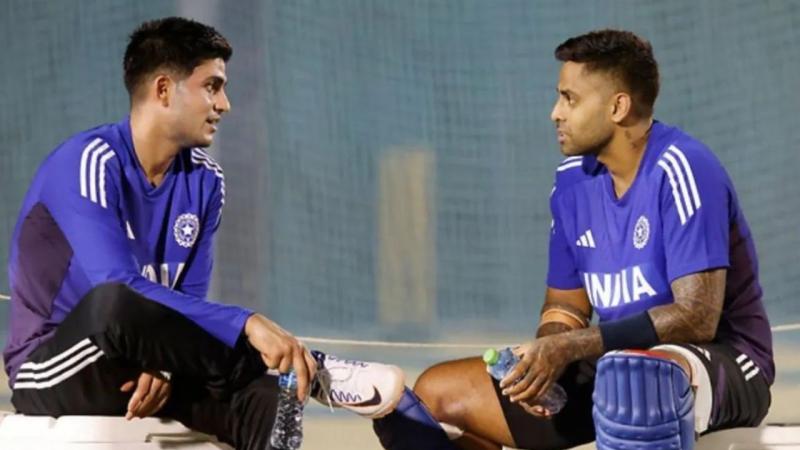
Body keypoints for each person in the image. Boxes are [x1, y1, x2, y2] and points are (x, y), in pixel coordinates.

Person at [2, 17, 403, 450]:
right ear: (163, 90)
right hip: (55, 365)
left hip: (151, 367)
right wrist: (245, 322)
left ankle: (291, 373)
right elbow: (117, 287)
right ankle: (307, 367)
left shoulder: (206, 180)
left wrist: (165, 364)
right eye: (212, 87)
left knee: (267, 401)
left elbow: (188, 302)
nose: (224, 104)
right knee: (114, 301)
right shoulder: (89, 162)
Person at [370, 29, 774, 450]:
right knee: (435, 398)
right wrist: (543, 360)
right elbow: (566, 307)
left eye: (570, 99)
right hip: (615, 361)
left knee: (638, 381)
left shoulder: (682, 168)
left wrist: (571, 346)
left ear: (618, 107)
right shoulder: (572, 182)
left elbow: (696, 317)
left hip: (723, 362)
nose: (555, 113)